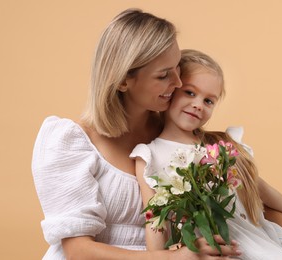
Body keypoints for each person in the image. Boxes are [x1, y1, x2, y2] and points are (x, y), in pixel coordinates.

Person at [32, 9, 241, 259]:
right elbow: (78, 251)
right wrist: (178, 257)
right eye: (164, 75)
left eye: (177, 68)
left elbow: (244, 199)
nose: (177, 83)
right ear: (122, 81)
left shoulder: (176, 132)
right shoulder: (71, 142)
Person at [131, 49, 282, 259]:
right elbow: (155, 220)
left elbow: (264, 192)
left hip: (265, 242)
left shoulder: (220, 147)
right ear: (171, 90)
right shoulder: (150, 156)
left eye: (209, 101)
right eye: (190, 93)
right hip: (223, 250)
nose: (198, 105)